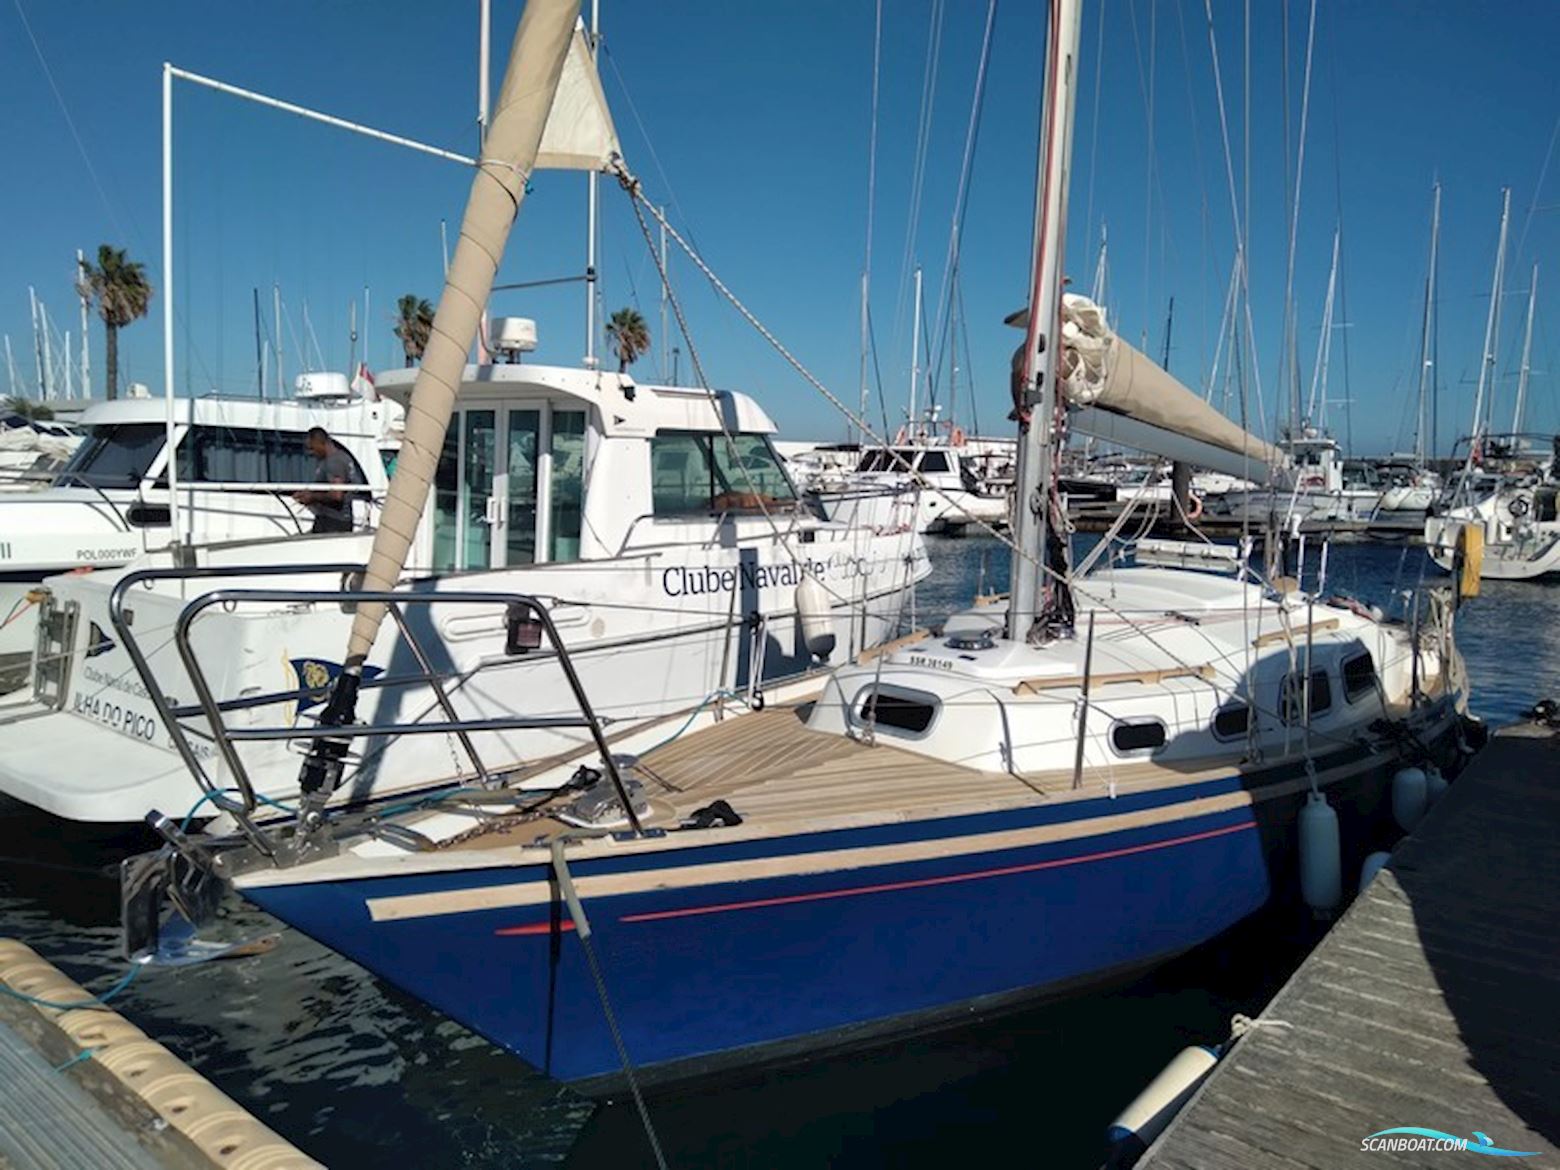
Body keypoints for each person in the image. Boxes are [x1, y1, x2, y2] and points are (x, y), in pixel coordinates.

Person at [295, 427, 359, 534]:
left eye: (312, 448)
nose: (311, 453)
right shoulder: (339, 458)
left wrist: (312, 497)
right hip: (332, 519)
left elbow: (337, 495)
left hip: (333, 521)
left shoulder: (335, 462)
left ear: (319, 443)